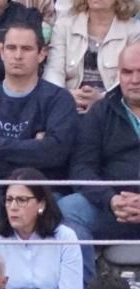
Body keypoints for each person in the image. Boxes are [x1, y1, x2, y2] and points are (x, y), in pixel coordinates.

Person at [0, 24, 80, 226]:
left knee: (68, 210)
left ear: (42, 54)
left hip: (43, 198)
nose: (18, 55)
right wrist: (33, 149)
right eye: (11, 48)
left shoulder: (59, 99)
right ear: (2, 53)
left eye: (26, 49)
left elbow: (56, 154)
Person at [66, 41, 140, 256]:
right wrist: (111, 199)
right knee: (69, 209)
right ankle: (88, 287)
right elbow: (81, 168)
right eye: (127, 72)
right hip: (113, 209)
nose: (134, 80)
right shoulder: (100, 112)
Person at [0, 168, 85, 289]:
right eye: (9, 200)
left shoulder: (65, 237)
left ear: (41, 204)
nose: (13, 207)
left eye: (22, 200)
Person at [46, 0, 140, 112]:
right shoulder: (64, 26)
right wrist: (64, 96)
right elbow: (53, 70)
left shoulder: (135, 31)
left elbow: (131, 77)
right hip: (68, 106)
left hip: (114, 109)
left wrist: (103, 99)